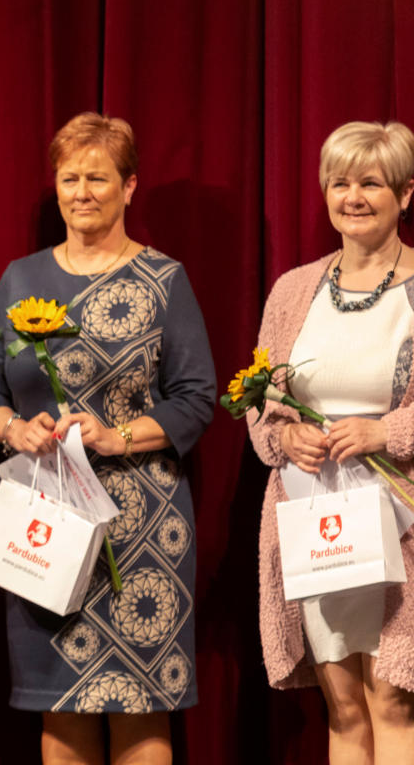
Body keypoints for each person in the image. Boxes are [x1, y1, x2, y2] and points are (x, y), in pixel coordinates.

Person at [0, 112, 215, 765]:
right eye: (69, 176)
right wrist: (16, 429)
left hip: (142, 531)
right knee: (62, 707)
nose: (81, 191)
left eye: (97, 177)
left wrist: (116, 435)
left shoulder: (166, 280)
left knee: (138, 714)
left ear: (130, 186)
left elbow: (197, 399)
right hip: (46, 524)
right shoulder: (21, 279)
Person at [247, 120, 414, 764]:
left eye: (370, 183)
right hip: (316, 521)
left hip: (400, 520)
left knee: (394, 700)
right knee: (344, 708)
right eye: (339, 183)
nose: (353, 196)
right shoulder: (293, 290)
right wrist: (286, 437)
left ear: (404, 195)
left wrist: (386, 431)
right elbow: (259, 401)